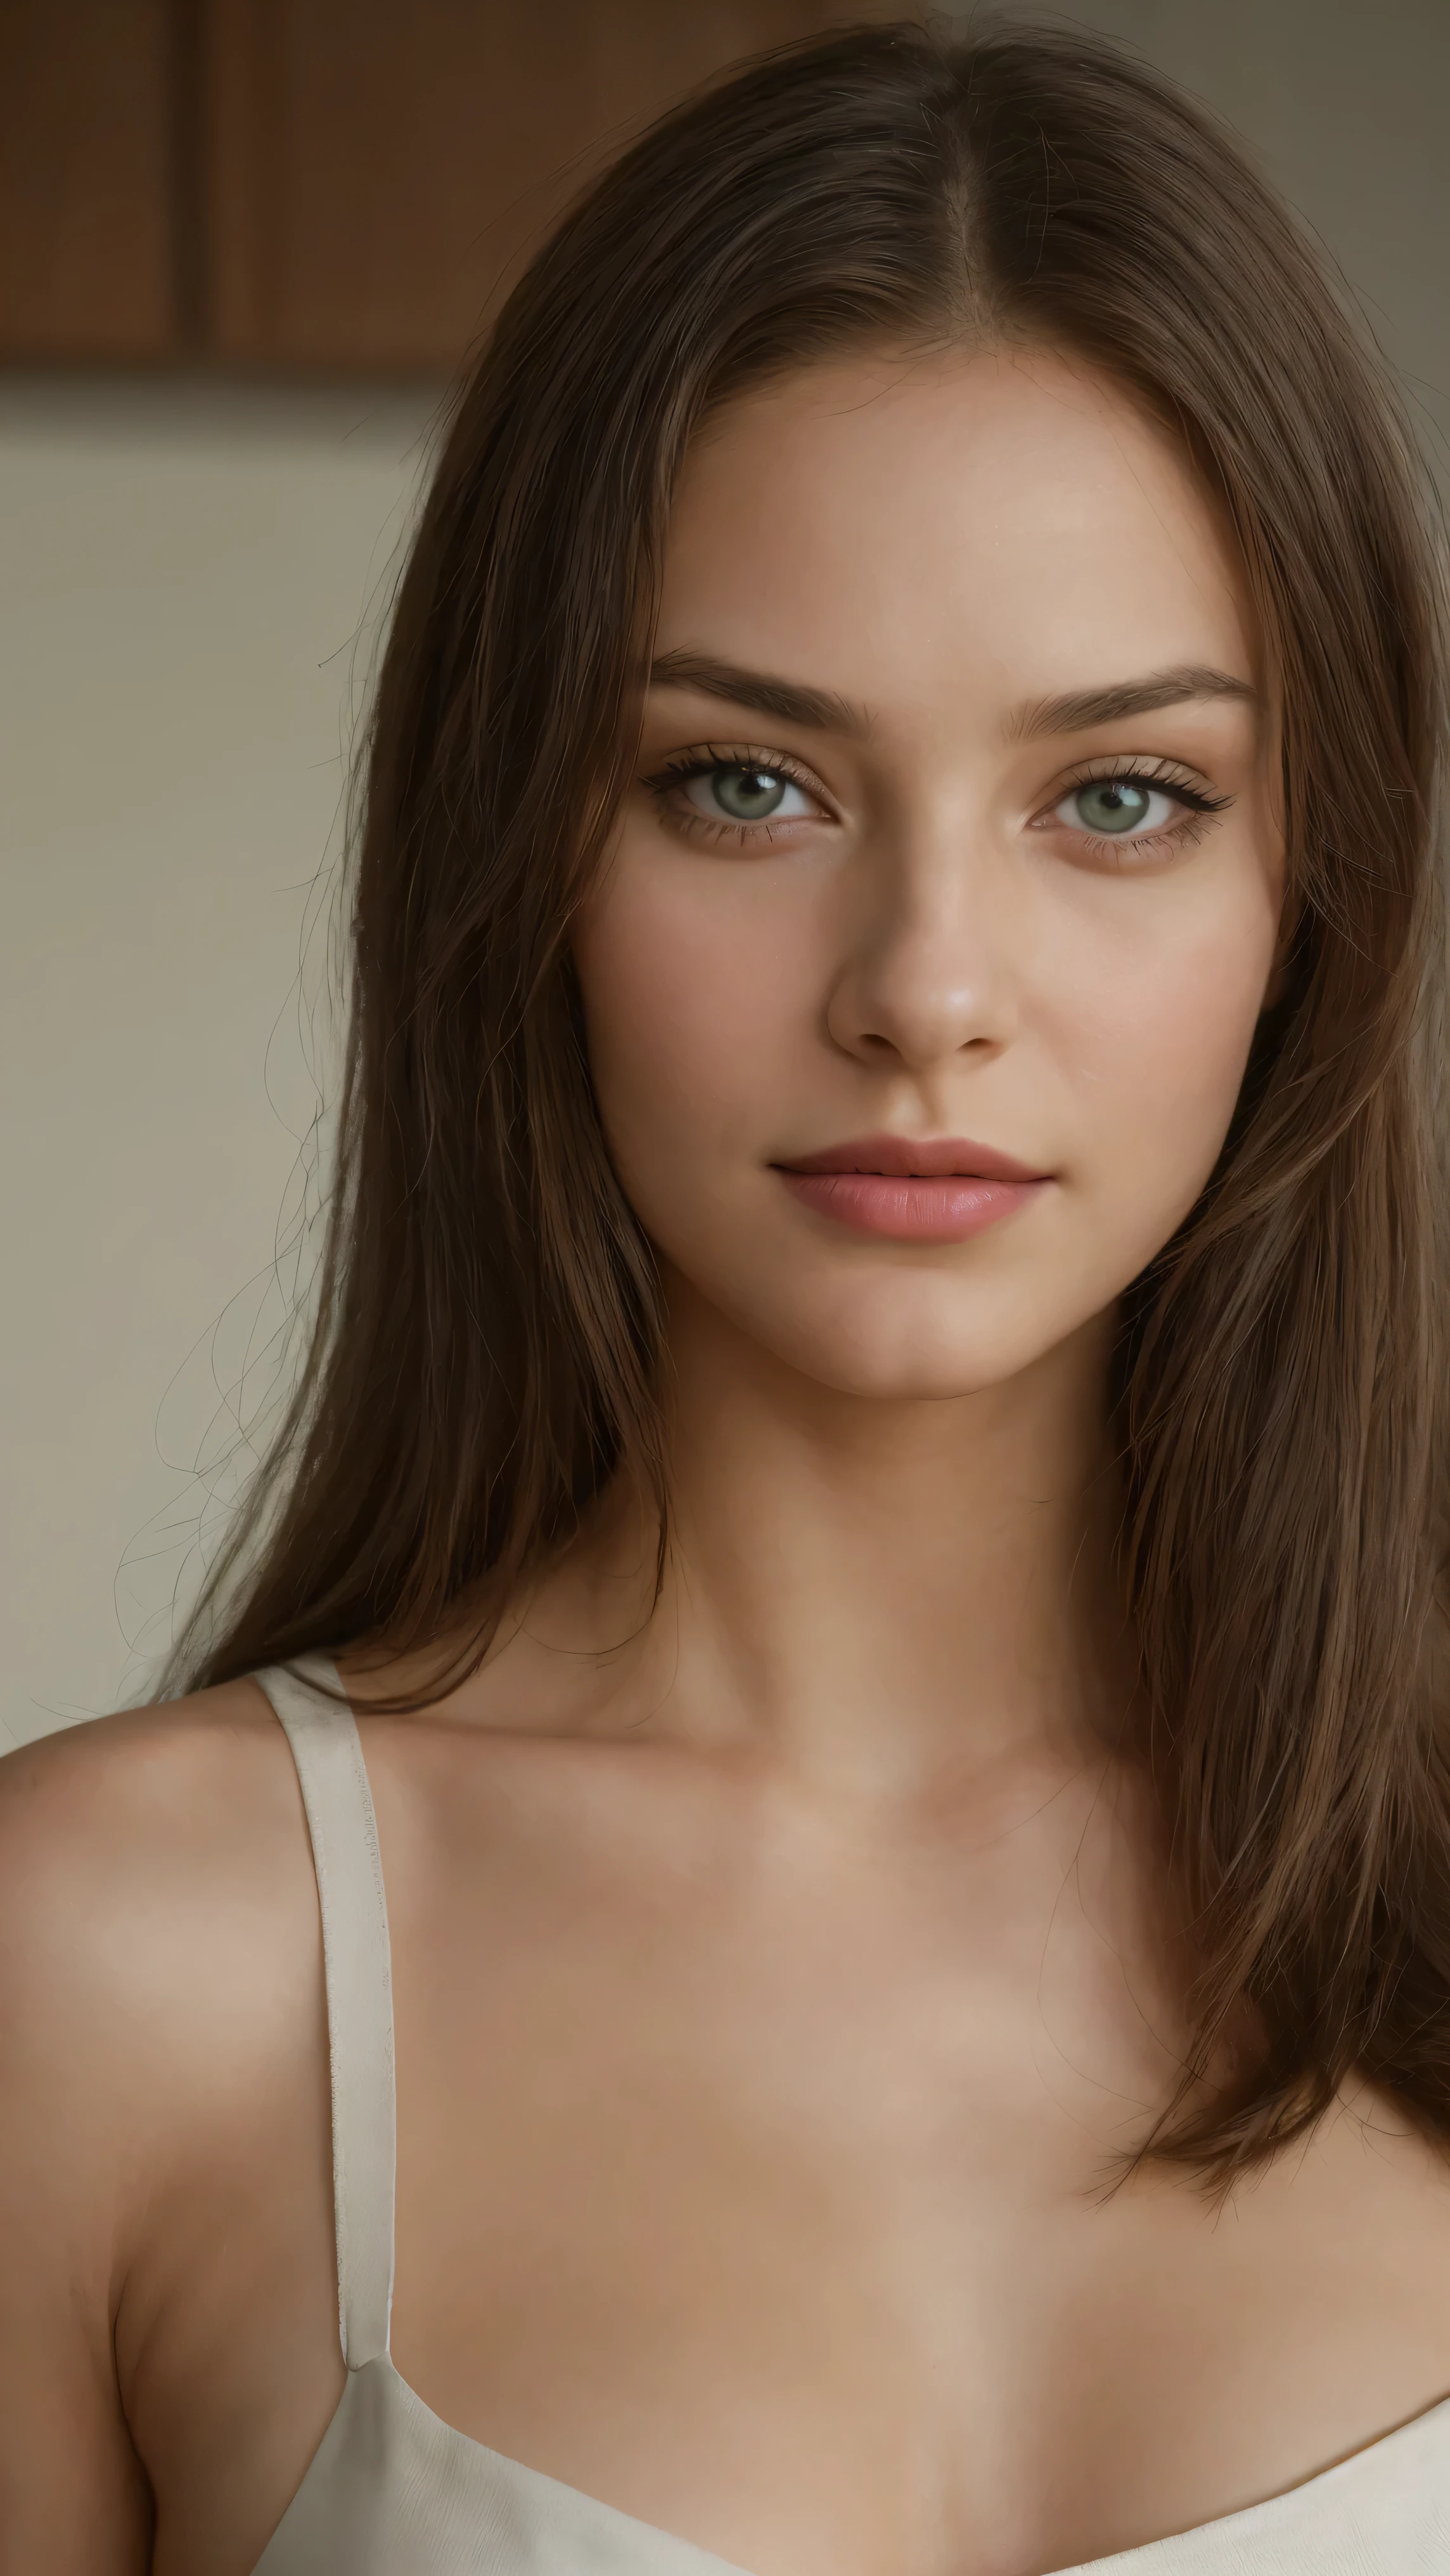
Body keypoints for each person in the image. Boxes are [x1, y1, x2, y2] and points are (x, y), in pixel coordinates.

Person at [4, 18, 1450, 2574]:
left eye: (1115, 797)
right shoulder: (107, 1984)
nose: (921, 982)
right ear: (518, 847)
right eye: (742, 782)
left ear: (1299, 905)